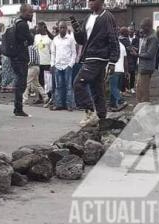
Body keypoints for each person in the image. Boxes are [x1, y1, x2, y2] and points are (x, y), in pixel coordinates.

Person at [71, 0, 121, 130]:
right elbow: (82, 40)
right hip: (89, 56)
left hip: (98, 57)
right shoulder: (88, 17)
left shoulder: (107, 17)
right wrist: (76, 29)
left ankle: (90, 112)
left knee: (78, 83)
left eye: (92, 1)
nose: (89, 3)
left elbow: (113, 38)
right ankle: (102, 118)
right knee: (97, 89)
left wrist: (112, 61)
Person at [11, 4, 35, 117]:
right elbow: (30, 40)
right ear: (23, 12)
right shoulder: (22, 25)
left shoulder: (16, 22)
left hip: (15, 57)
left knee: (19, 82)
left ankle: (18, 107)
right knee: (21, 83)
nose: (31, 14)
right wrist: (31, 36)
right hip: (20, 58)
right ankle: (18, 108)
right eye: (29, 12)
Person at [50, 21, 77, 111]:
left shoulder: (70, 39)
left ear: (66, 28)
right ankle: (59, 104)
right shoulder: (55, 39)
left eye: (64, 27)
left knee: (69, 86)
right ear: (58, 28)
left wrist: (71, 64)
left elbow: (74, 53)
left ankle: (69, 105)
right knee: (58, 86)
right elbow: (53, 53)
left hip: (67, 66)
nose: (62, 29)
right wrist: (52, 64)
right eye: (61, 27)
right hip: (57, 65)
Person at [135, 18, 159, 104]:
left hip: (146, 67)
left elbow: (150, 54)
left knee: (143, 90)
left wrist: (137, 55)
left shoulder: (153, 38)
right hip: (142, 66)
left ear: (148, 27)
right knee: (139, 88)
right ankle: (140, 106)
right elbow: (144, 51)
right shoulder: (147, 36)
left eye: (142, 27)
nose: (141, 29)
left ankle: (144, 108)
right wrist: (136, 50)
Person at [24, 33, 49, 105]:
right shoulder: (35, 47)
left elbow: (31, 60)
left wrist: (26, 66)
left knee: (27, 83)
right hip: (37, 67)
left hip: (32, 67)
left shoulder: (30, 48)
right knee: (36, 84)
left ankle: (24, 99)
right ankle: (45, 97)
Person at [34, 22, 53, 103]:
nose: (37, 28)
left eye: (38, 27)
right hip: (38, 62)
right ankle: (40, 97)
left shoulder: (49, 38)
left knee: (47, 81)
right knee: (39, 81)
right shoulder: (36, 37)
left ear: (43, 27)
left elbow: (52, 51)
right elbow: (34, 48)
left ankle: (48, 97)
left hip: (47, 62)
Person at [108, 40, 127, 111]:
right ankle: (112, 105)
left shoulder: (110, 45)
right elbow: (125, 59)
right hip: (121, 70)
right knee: (115, 87)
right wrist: (126, 71)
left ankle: (121, 100)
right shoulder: (122, 45)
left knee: (113, 88)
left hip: (114, 69)